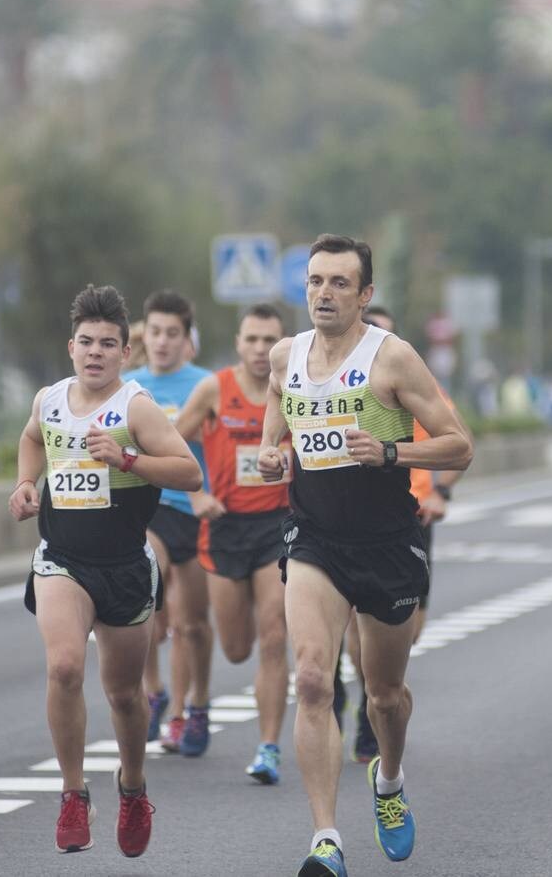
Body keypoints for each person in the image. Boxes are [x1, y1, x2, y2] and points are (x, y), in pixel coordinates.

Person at [257, 234, 473, 877]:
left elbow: (459, 446)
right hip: (315, 538)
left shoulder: (393, 359)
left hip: (386, 542)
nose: (325, 293)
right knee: (315, 679)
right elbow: (278, 401)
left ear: (365, 294)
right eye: (316, 281)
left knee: (385, 697)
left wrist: (388, 452)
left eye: (340, 283)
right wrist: (273, 449)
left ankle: (390, 778)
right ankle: (326, 839)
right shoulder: (285, 355)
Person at [8, 284, 201, 856]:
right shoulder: (50, 399)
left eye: (108, 344)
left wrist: (128, 458)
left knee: (123, 695)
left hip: (124, 566)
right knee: (65, 665)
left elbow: (189, 474)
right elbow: (30, 437)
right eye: (86, 342)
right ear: (72, 347)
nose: (95, 352)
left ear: (124, 353)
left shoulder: (136, 406)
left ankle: (133, 788)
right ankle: (72, 794)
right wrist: (24, 483)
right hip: (62, 558)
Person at [174, 304, 293, 785]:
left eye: (270, 340)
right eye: (253, 339)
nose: (261, 350)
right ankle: (199, 703)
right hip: (224, 528)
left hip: (277, 525)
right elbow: (169, 442)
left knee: (274, 636)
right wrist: (197, 493)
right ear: (239, 342)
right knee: (238, 648)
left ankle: (268, 747)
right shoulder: (213, 389)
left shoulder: (296, 387)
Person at [341, 304, 464, 765]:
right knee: (354, 624)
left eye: (385, 335)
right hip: (353, 520)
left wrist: (441, 496)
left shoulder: (411, 378)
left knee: (406, 632)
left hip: (412, 518)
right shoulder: (341, 385)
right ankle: (364, 707)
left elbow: (455, 444)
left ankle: (381, 693)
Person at [124, 291, 215, 757]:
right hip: (148, 510)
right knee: (147, 598)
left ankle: (191, 706)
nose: (162, 342)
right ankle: (155, 691)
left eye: (172, 334)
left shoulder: (207, 384)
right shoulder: (128, 386)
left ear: (187, 339)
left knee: (192, 623)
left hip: (194, 511)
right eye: (155, 332)